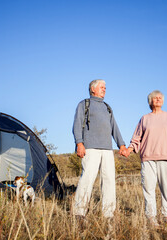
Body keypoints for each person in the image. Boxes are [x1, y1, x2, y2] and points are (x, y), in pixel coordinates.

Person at [122, 90, 167, 227]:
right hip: (148, 158)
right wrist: (129, 150)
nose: (158, 99)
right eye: (155, 98)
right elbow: (136, 138)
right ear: (150, 101)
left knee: (165, 187)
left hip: (165, 157)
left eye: (160, 98)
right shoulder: (145, 118)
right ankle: (151, 217)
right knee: (148, 188)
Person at [72, 79, 127, 219]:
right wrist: (79, 143)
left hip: (107, 149)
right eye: (102, 87)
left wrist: (121, 144)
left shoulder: (107, 107)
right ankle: (79, 212)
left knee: (109, 180)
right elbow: (77, 125)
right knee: (87, 179)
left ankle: (108, 214)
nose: (104, 89)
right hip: (90, 148)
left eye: (105, 87)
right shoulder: (84, 104)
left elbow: (114, 127)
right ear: (93, 89)